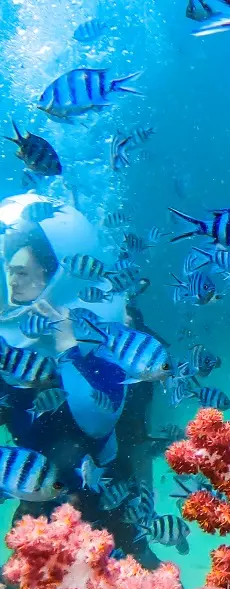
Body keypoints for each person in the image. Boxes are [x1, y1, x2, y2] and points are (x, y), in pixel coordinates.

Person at [0, 193, 160, 568]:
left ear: (52, 276)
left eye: (22, 272)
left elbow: (95, 417)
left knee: (137, 571)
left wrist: (66, 346)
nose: (11, 280)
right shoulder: (12, 339)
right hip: (37, 489)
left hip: (104, 492)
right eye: (7, 269)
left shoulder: (100, 331)